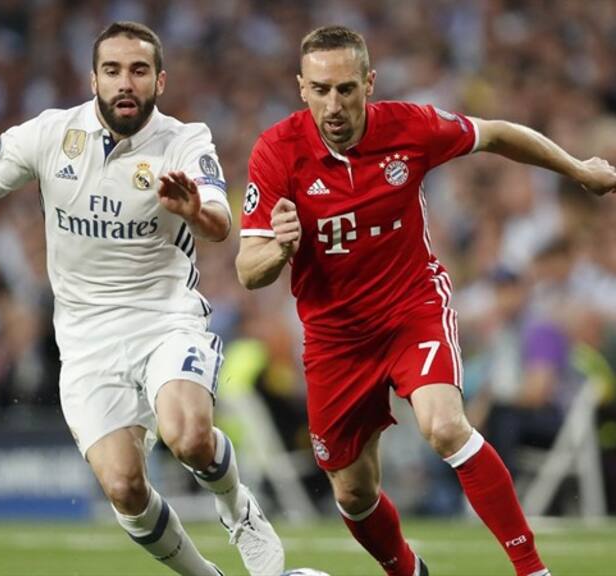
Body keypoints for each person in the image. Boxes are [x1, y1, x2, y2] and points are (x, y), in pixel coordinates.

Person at [0, 21, 284, 576]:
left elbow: (218, 223)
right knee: (124, 486)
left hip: (164, 319)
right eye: (112, 70)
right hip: (86, 340)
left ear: (160, 80)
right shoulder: (49, 135)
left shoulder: (186, 140)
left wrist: (192, 211)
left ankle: (241, 512)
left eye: (139, 70)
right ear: (93, 78)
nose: (125, 82)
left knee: (189, 436)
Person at [236, 25, 616, 576]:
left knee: (444, 426)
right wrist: (279, 250)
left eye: (346, 89)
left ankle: (533, 570)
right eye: (320, 90)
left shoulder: (409, 127)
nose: (334, 104)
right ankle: (410, 572)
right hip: (335, 337)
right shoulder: (277, 152)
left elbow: (497, 133)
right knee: (353, 493)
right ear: (301, 87)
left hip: (411, 308)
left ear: (370, 83)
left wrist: (578, 168)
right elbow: (249, 271)